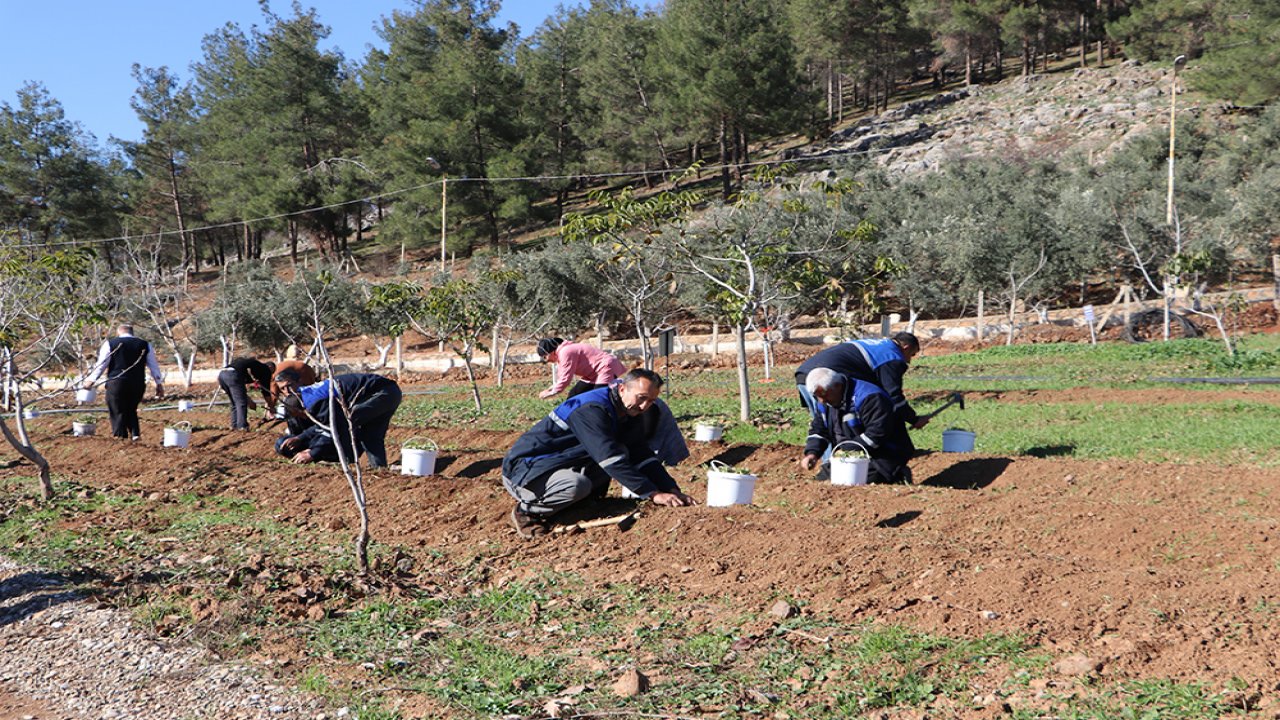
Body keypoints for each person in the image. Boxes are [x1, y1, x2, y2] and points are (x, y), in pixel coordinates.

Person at [503, 368, 696, 538]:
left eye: (651, 401)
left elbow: (641, 454)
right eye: (641, 397)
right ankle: (527, 512)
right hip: (526, 471)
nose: (645, 406)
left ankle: (584, 504)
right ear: (622, 389)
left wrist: (670, 489)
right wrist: (652, 494)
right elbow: (609, 459)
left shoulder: (630, 411)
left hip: (561, 463)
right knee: (578, 484)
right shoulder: (592, 409)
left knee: (622, 451)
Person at [798, 367, 915, 484]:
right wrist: (812, 453)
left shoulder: (870, 397)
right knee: (823, 482)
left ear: (838, 386)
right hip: (849, 456)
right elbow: (819, 430)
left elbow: (877, 434)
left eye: (824, 395)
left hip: (883, 453)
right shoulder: (825, 402)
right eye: (817, 396)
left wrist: (847, 450)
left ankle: (899, 474)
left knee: (859, 482)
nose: (821, 400)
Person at [795, 332, 927, 430]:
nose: (909, 361)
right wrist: (913, 419)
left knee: (823, 426)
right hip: (826, 379)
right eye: (911, 354)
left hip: (804, 375)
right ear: (906, 347)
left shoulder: (876, 345)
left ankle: (838, 461)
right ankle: (838, 464)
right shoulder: (892, 356)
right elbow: (893, 394)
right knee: (831, 426)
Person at [274, 373, 402, 467]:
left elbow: (334, 428)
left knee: (347, 421)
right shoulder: (304, 394)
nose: (302, 418)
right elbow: (324, 425)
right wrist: (300, 437)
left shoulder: (317, 402)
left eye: (300, 415)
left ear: (302, 409)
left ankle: (349, 459)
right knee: (371, 436)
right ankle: (380, 470)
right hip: (390, 391)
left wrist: (312, 453)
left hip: (380, 392)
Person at [83, 324, 164, 440]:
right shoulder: (145, 344)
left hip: (117, 382)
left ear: (118, 332)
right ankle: (135, 434)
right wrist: (159, 383)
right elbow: (154, 366)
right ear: (132, 333)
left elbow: (101, 364)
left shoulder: (111, 344)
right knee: (131, 408)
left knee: (117, 410)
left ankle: (120, 437)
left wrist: (91, 380)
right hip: (137, 383)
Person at [536, 337, 627, 399]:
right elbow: (561, 377)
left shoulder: (565, 352)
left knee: (598, 397)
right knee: (574, 395)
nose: (546, 360)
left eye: (545, 357)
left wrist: (551, 393)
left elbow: (565, 379)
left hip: (606, 368)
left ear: (551, 352)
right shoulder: (561, 354)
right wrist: (551, 389)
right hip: (593, 374)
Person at [217, 358, 275, 430]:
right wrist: (271, 407)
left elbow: (239, 392)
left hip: (222, 375)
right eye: (272, 372)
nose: (271, 375)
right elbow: (266, 392)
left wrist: (249, 400)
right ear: (270, 367)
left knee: (235, 403)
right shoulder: (266, 370)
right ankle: (242, 427)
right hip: (233, 375)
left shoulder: (253, 365)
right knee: (241, 403)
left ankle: (234, 426)